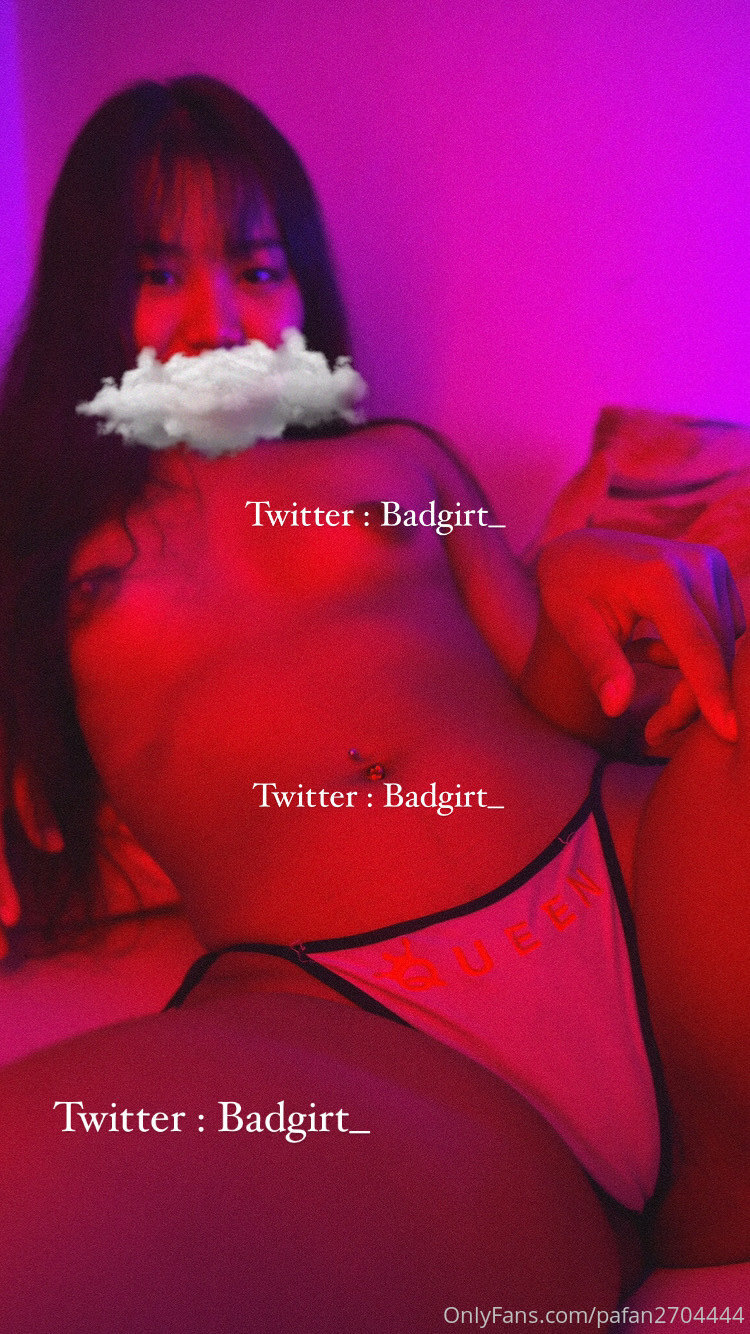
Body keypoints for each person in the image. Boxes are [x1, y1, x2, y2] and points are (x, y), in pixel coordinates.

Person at [0, 77, 747, 1314]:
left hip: (652, 889)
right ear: (89, 300)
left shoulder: (402, 462)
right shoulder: (48, 556)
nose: (218, 320)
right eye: (158, 272)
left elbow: (553, 692)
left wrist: (582, 589)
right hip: (363, 1023)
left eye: (257, 267)